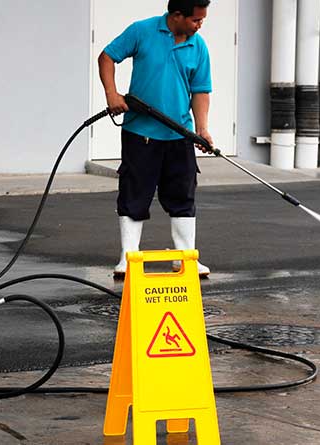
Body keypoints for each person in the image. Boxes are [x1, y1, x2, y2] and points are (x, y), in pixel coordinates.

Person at [98, 0, 213, 278]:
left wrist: (202, 128)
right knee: (134, 193)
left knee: (183, 195)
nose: (200, 25)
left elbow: (200, 90)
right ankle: (128, 258)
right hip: (141, 133)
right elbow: (107, 57)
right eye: (196, 20)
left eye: (202, 20)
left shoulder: (198, 46)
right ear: (177, 15)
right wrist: (112, 95)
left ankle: (184, 258)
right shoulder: (142, 31)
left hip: (180, 135)